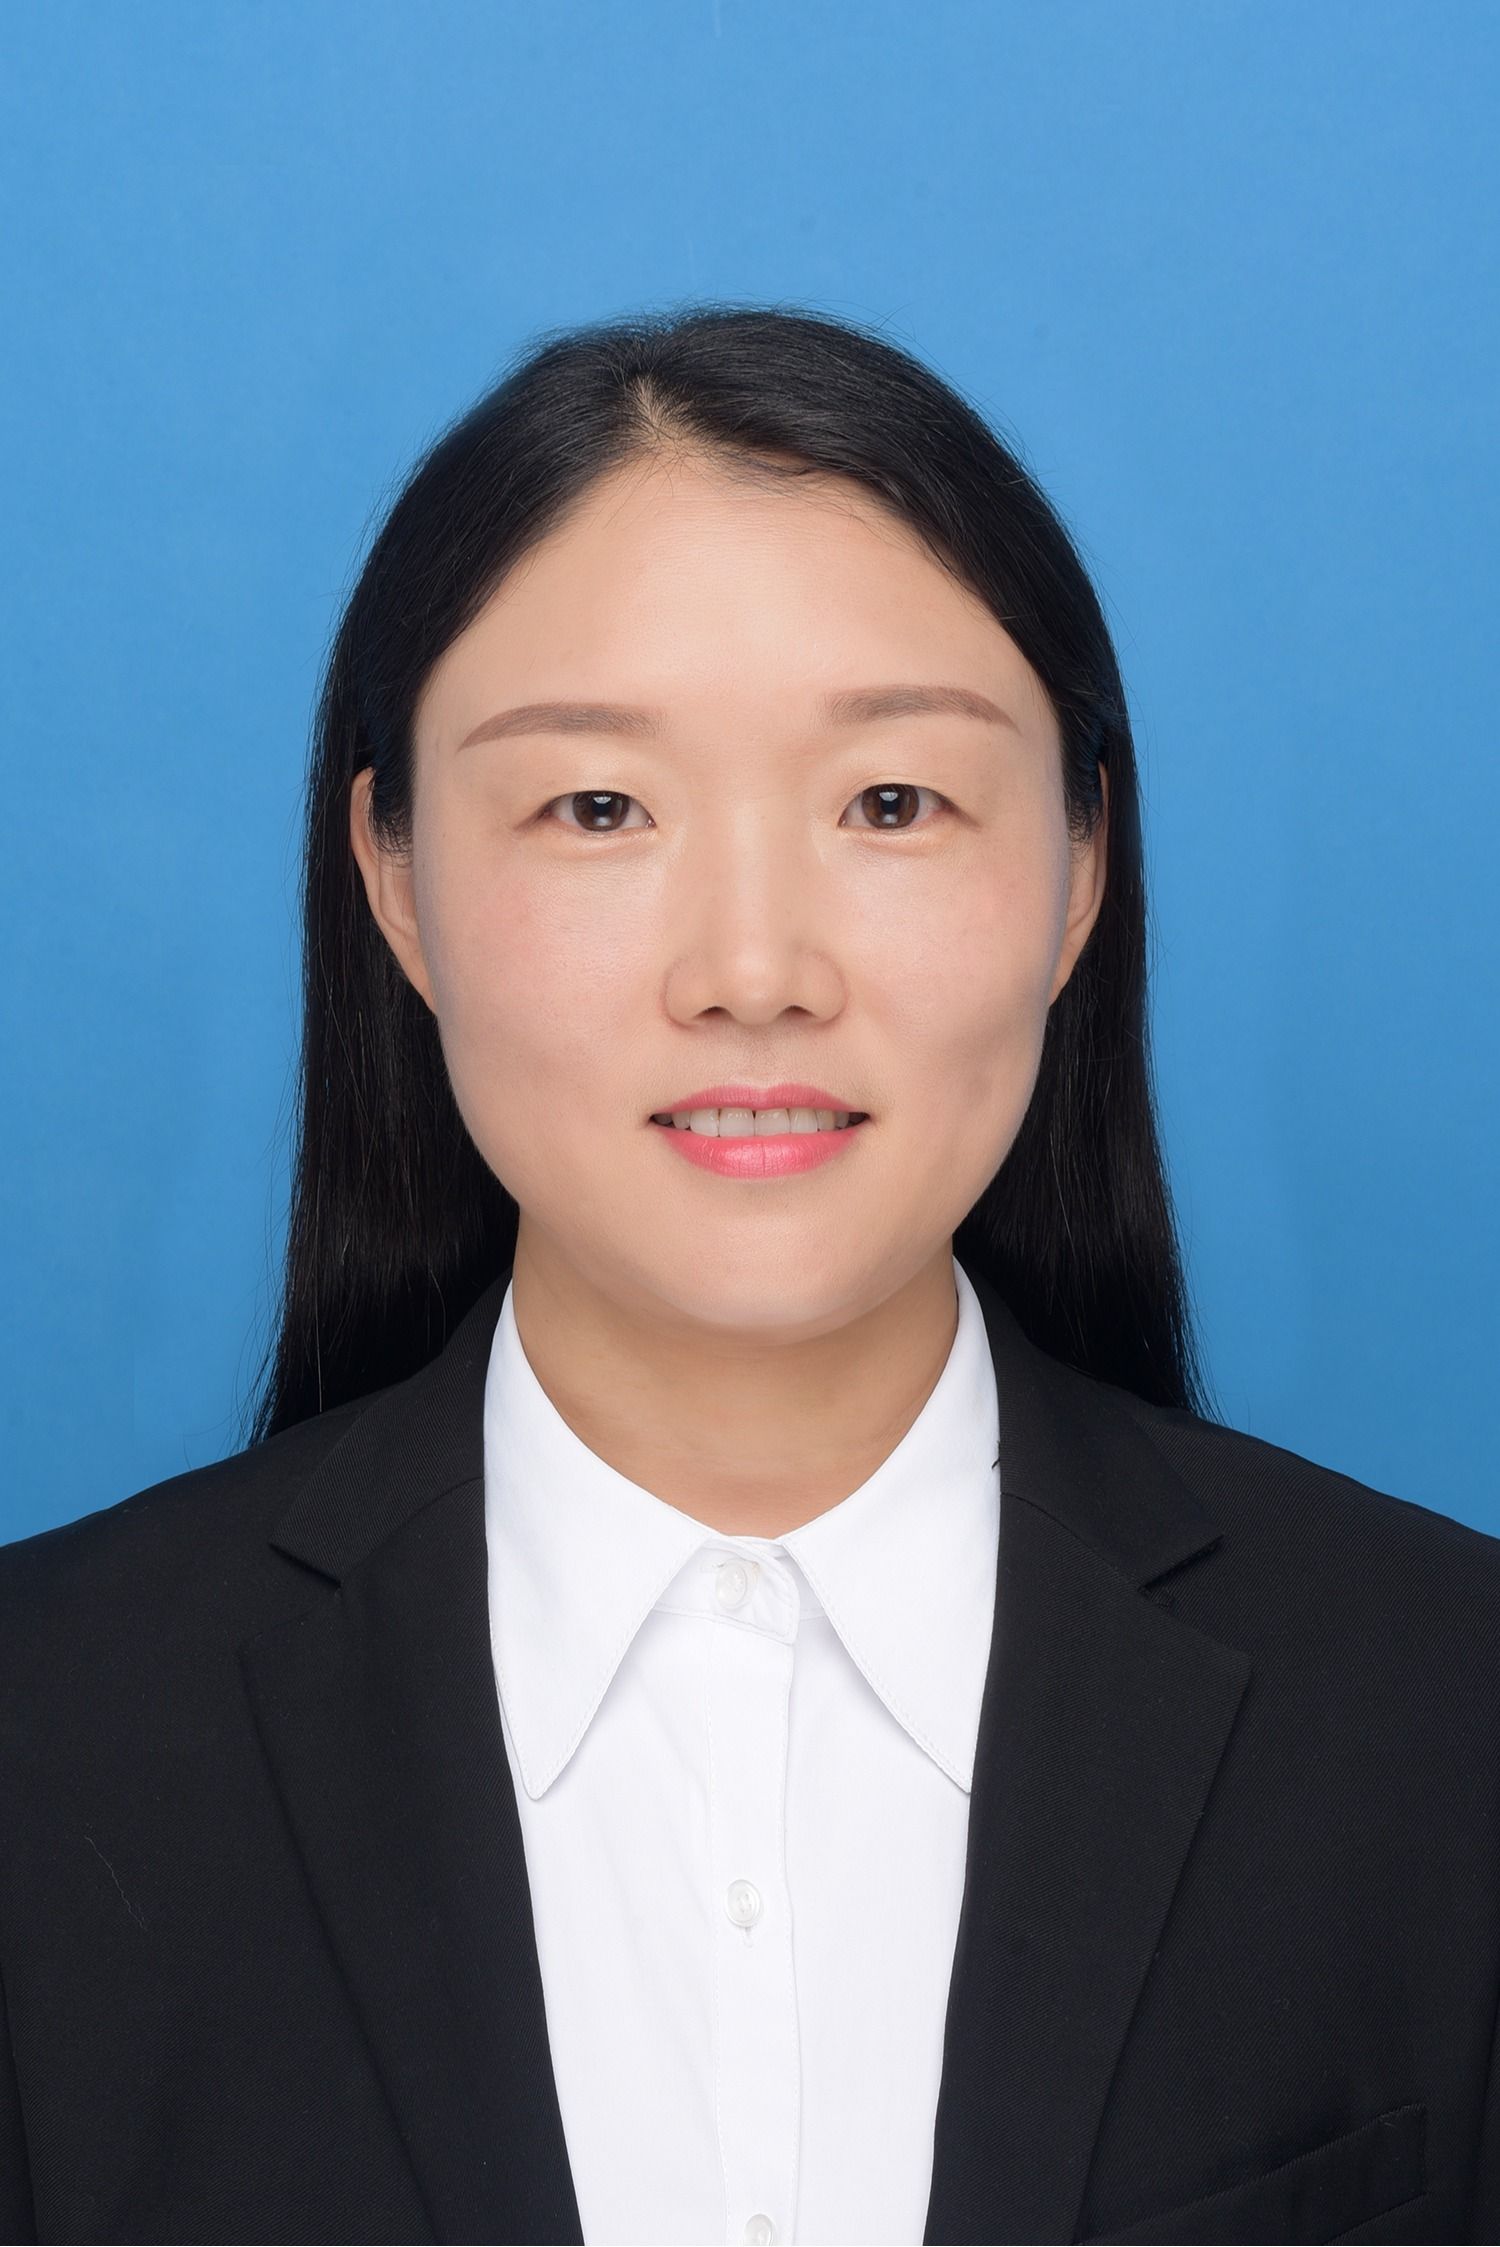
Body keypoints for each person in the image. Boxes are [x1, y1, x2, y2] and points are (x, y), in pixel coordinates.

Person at [0, 302, 1496, 2247]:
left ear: (1079, 868)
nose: (755, 968)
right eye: (598, 807)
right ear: (393, 878)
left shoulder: (1448, 1717)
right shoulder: (48, 1744)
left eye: (892, 802)